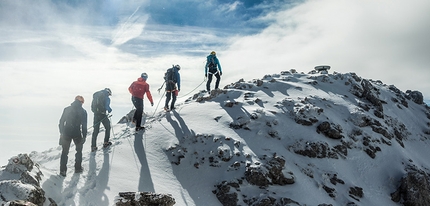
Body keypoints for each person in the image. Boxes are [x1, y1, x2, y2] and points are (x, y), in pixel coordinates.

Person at [58, 95, 87, 176]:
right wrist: (84, 136)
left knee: (64, 152)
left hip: (66, 132)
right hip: (77, 133)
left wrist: (62, 132)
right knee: (79, 151)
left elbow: (61, 122)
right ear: (81, 102)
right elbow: (84, 125)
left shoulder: (67, 109)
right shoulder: (83, 111)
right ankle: (78, 168)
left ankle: (62, 171)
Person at [91, 88, 113, 152]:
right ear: (108, 92)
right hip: (102, 114)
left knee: (95, 130)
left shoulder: (96, 96)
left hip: (96, 115)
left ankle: (93, 146)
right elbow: (107, 106)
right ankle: (106, 142)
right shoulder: (106, 97)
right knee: (108, 127)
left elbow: (92, 107)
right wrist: (109, 110)